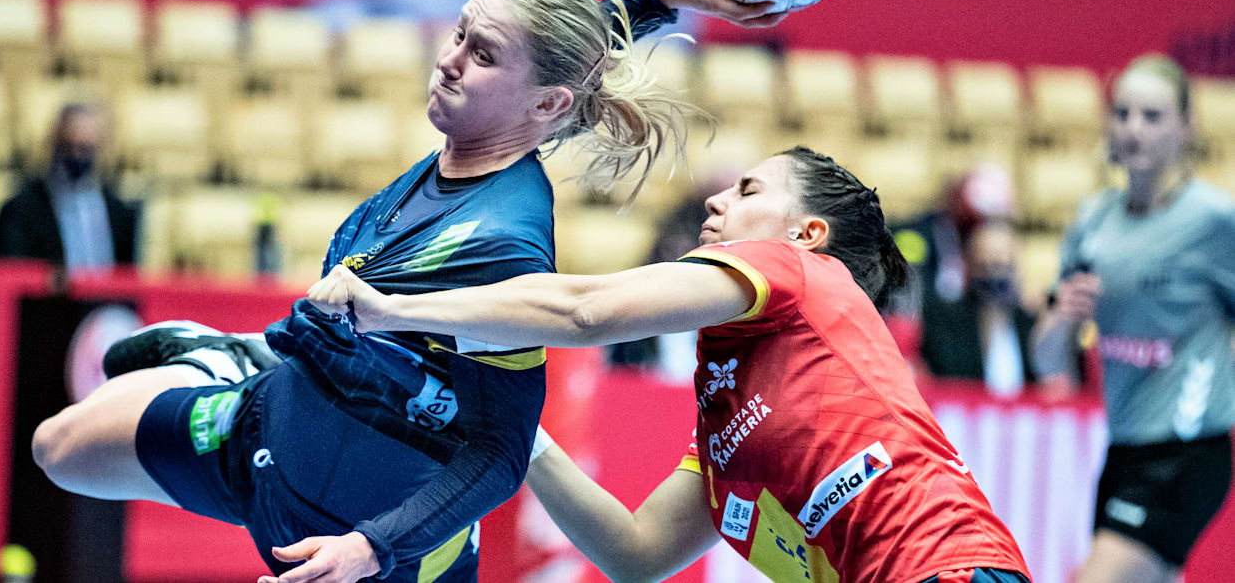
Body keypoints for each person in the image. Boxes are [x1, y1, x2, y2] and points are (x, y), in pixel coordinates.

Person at [33, 0, 785, 583]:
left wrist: (372, 546)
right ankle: (229, 361)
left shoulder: (503, 244)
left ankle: (233, 356)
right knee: (58, 449)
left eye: (481, 55)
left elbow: (499, 454)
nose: (449, 61)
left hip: (372, 545)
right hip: (262, 432)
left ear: (546, 105)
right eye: (458, 34)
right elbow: (554, 48)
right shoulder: (474, 137)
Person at [305, 146, 1032, 583]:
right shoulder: (728, 414)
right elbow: (637, 554)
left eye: (748, 192)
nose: (716, 199)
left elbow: (587, 310)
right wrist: (506, 421)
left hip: (946, 568)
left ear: (805, 234)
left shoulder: (799, 273)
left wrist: (394, 308)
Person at [1030, 54, 1235, 583]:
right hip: (1122, 451)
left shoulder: (1214, 222)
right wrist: (1063, 316)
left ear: (1185, 126)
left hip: (1187, 453)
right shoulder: (1094, 219)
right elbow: (1048, 361)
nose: (1134, 129)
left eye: (1152, 116)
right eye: (1122, 114)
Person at [0, 102, 139, 271]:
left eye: (86, 148)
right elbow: (14, 271)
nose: (77, 155)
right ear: (54, 144)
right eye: (69, 146)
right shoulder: (20, 211)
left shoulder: (120, 214)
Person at [918, 220, 1037, 395]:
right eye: (983, 266)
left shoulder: (1030, 323)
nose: (992, 276)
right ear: (969, 266)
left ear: (1017, 269)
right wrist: (988, 317)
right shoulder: (944, 320)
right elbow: (950, 376)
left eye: (1000, 265)